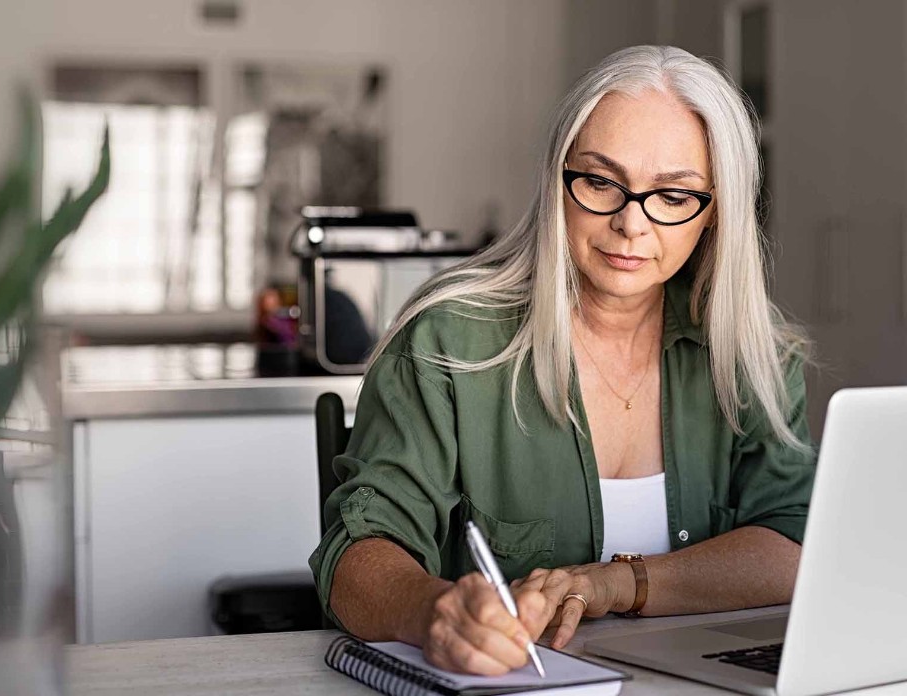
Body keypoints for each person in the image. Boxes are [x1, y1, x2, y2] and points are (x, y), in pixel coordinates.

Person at [309, 45, 815, 677]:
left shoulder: (752, 352)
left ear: (715, 212)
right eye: (601, 182)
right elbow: (355, 554)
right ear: (558, 180)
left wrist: (615, 584)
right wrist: (432, 611)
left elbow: (795, 543)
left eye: (673, 195)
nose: (631, 223)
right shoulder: (446, 339)